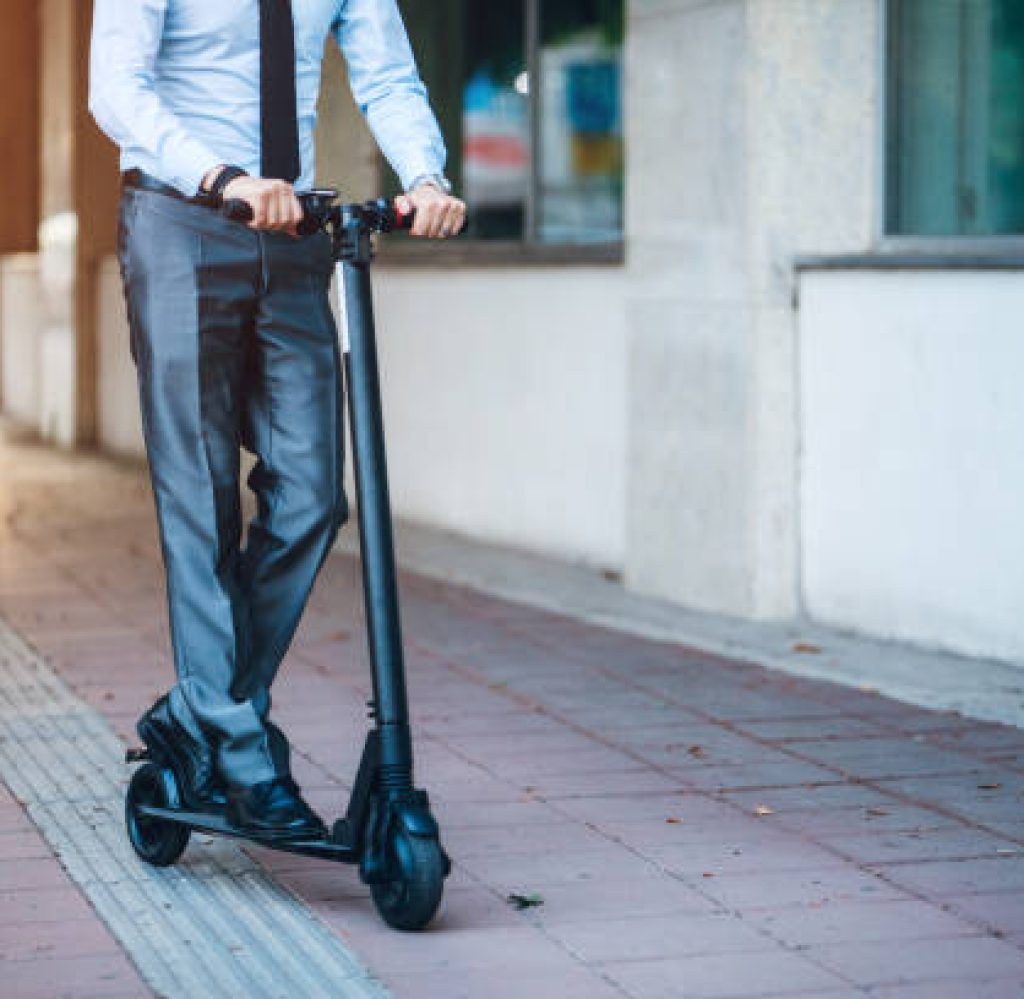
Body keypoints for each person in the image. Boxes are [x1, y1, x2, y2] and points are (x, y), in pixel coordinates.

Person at [89, 0, 465, 840]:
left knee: (312, 496)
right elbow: (116, 87)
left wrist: (426, 176)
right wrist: (220, 175)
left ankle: (201, 712)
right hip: (181, 220)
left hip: (293, 232)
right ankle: (244, 757)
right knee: (201, 497)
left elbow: (388, 74)